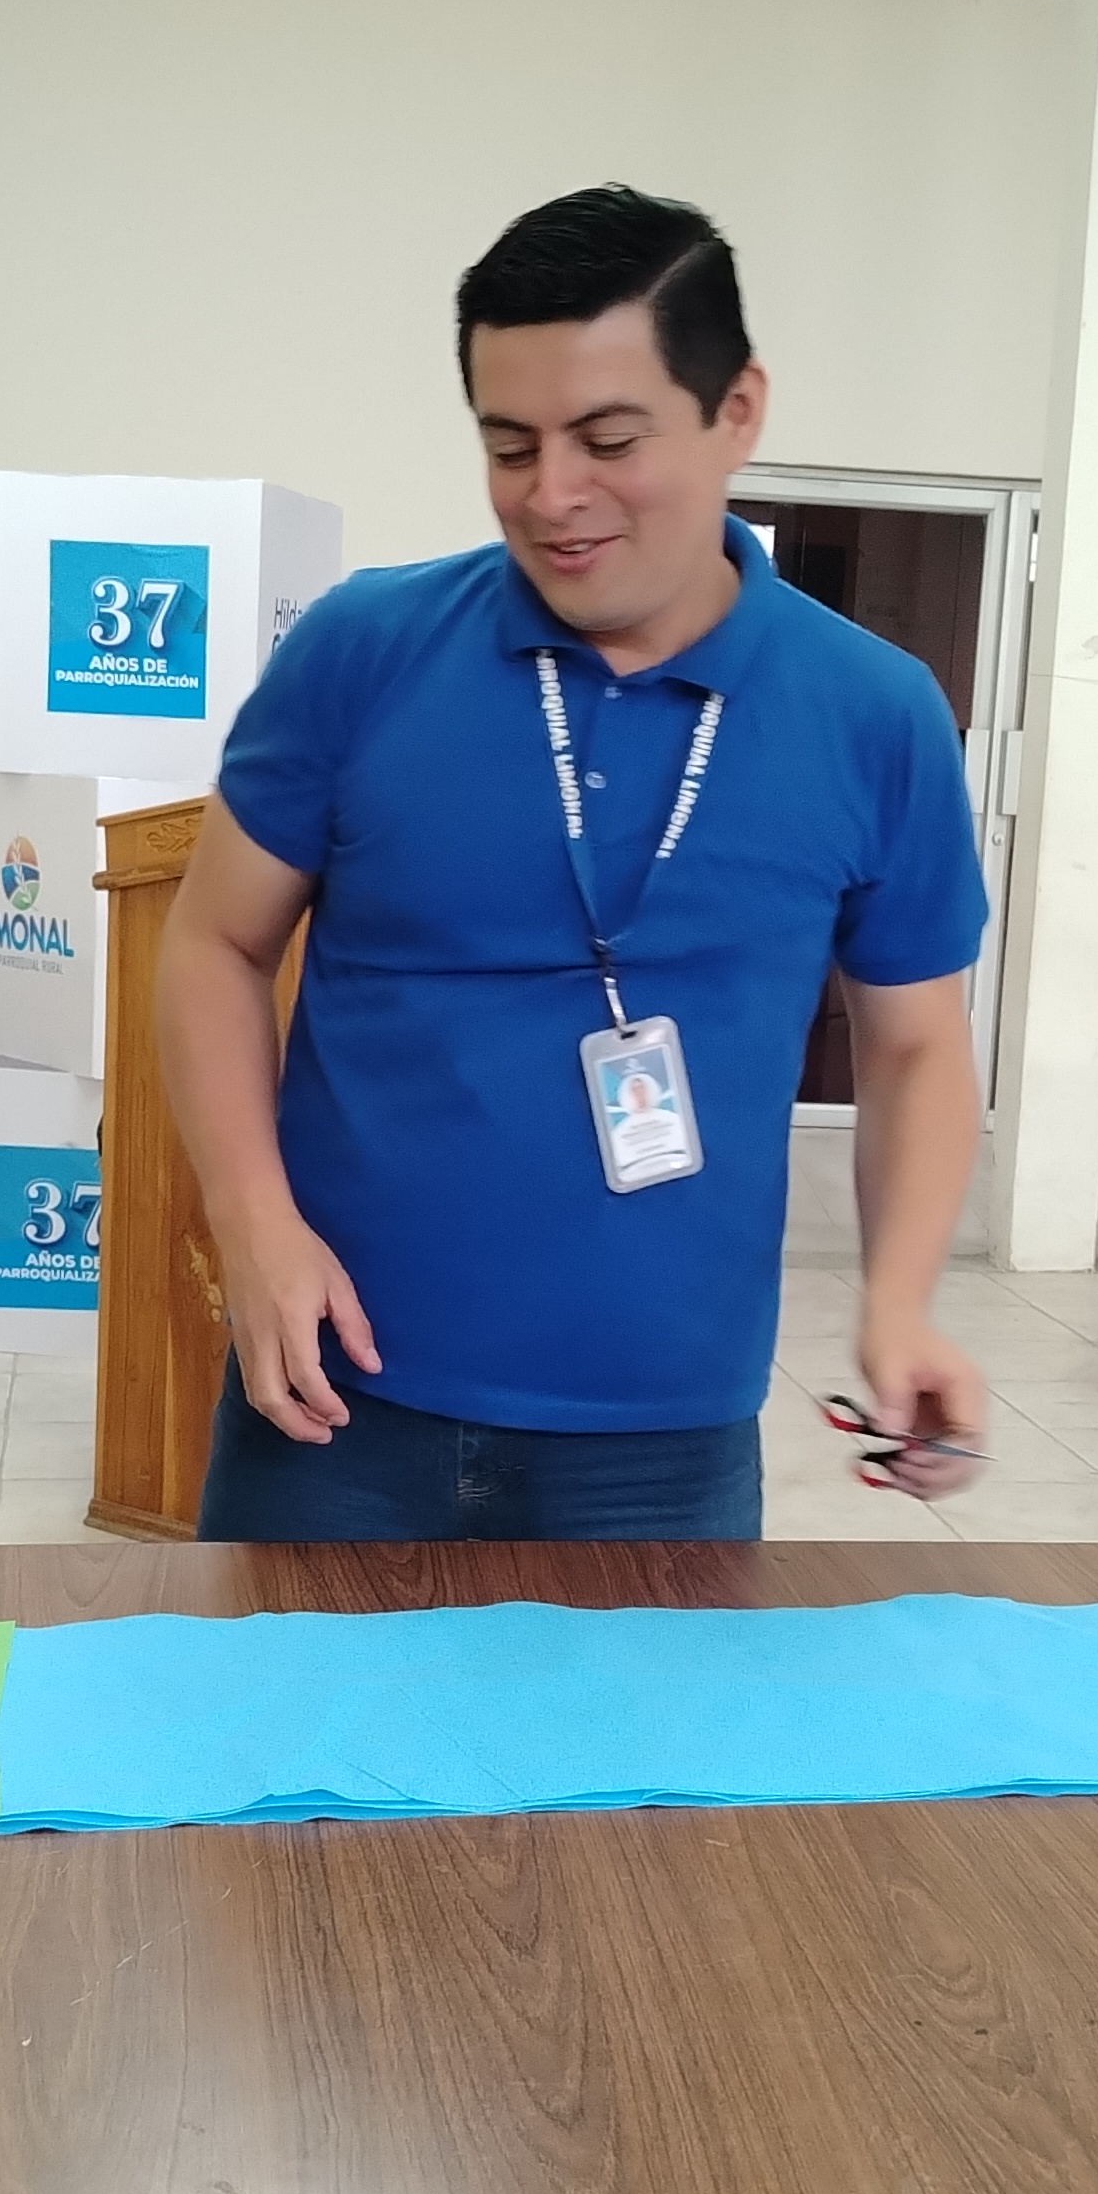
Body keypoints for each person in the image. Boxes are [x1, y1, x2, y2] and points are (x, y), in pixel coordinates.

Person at [160, 186, 990, 1541]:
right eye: (510, 446)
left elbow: (916, 1045)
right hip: (333, 1406)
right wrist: (251, 1221)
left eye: (608, 441)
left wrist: (900, 1302)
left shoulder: (874, 712)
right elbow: (214, 941)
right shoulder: (364, 650)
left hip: (660, 1442)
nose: (552, 496)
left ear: (737, 410)